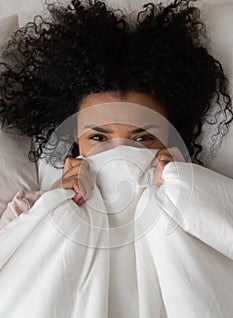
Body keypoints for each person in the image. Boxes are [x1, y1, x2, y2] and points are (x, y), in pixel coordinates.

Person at [0, 0, 232, 222]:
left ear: (170, 139)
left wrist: (189, 188)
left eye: (143, 138)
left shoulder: (207, 197)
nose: (120, 153)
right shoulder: (31, 207)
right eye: (98, 138)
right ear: (76, 140)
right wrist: (52, 200)